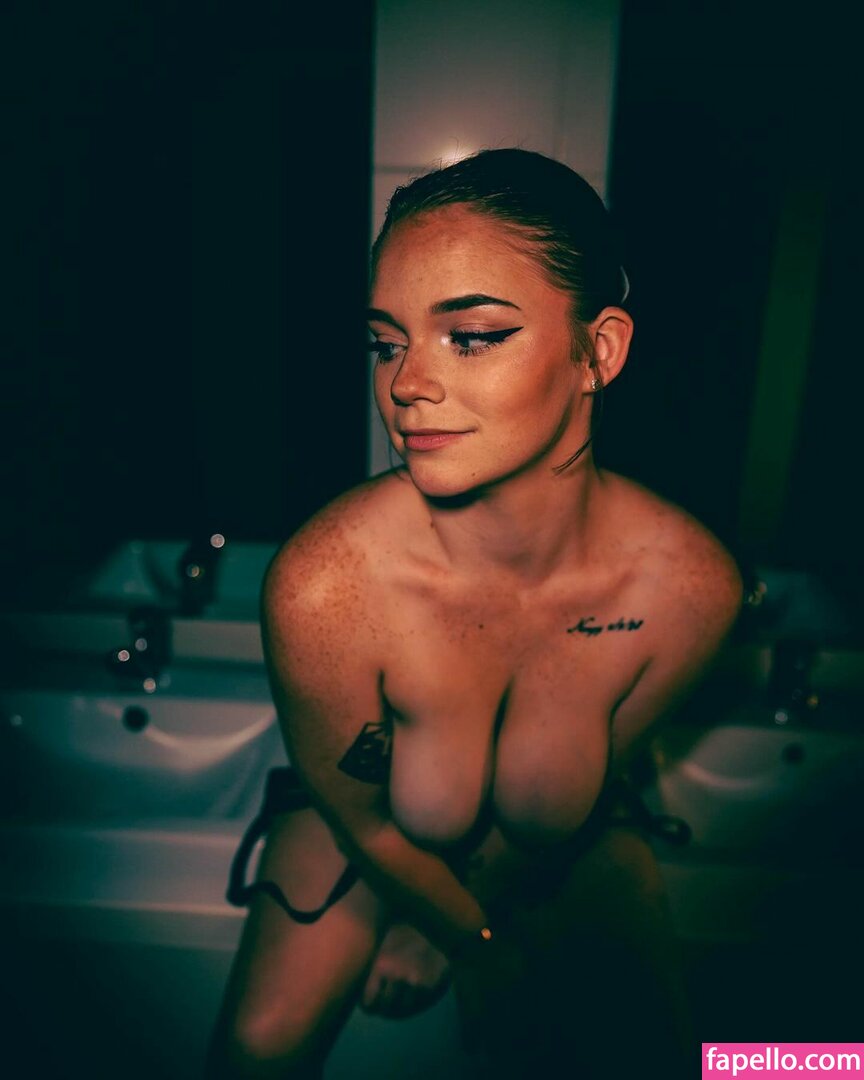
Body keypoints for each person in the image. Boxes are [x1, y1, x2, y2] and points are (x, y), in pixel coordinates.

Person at [206, 148, 742, 1079]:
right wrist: (477, 944)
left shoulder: (688, 590)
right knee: (257, 1054)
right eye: (386, 342)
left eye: (473, 335)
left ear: (598, 353)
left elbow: (577, 803)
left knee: (699, 1058)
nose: (405, 383)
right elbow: (366, 822)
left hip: (554, 849)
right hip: (364, 832)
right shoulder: (326, 585)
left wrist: (467, 919)